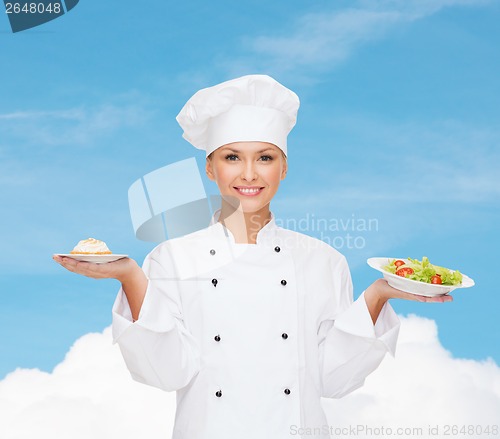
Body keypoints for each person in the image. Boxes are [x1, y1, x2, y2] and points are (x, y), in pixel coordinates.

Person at [53, 74, 452, 439]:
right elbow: (165, 371)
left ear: (284, 167)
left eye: (265, 157)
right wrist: (131, 278)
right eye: (231, 157)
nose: (249, 174)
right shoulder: (171, 258)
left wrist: (377, 296)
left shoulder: (322, 260)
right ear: (210, 169)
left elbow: (332, 380)